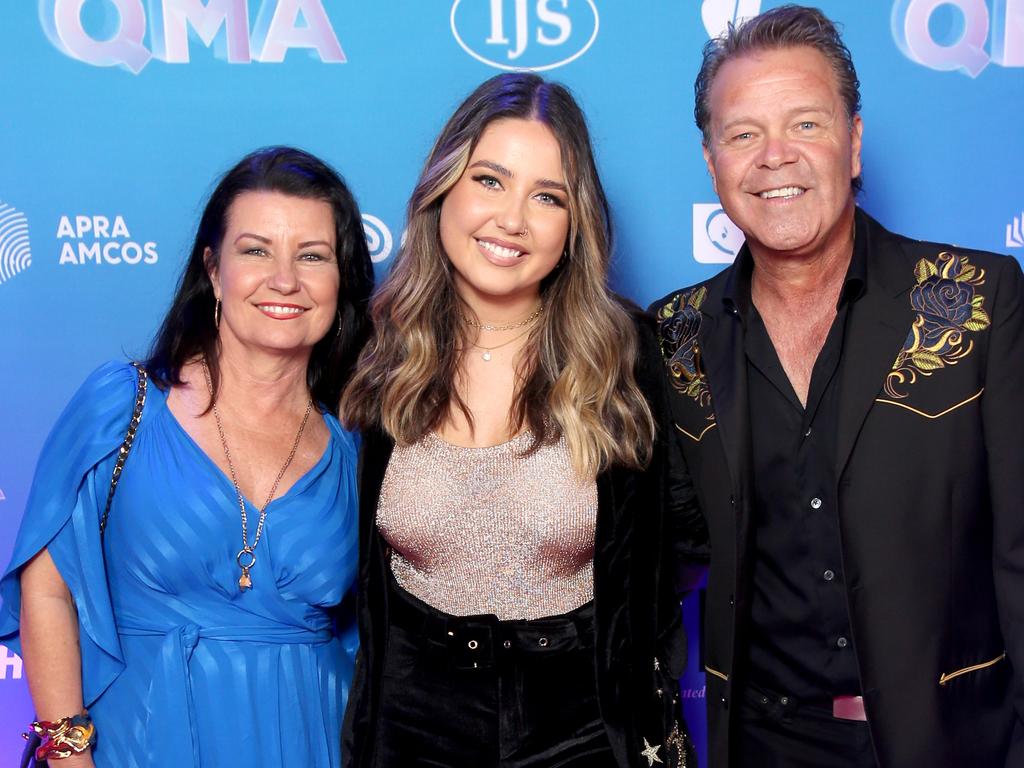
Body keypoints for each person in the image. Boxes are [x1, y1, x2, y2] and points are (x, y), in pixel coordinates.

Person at [650, 5, 1024, 767]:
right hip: (759, 743)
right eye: (743, 133)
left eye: (806, 125)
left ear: (853, 143)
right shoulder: (674, 334)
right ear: (711, 159)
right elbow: (664, 549)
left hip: (950, 742)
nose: (774, 157)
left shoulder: (975, 299)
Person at [340, 72, 704, 768]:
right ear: (442, 188)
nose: (512, 219)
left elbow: (675, 549)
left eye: (547, 197)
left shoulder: (625, 356)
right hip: (412, 718)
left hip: (583, 720)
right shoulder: (378, 350)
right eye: (489, 181)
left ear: (575, 225)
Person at [0, 146, 374, 768]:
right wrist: (68, 755)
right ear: (213, 268)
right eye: (256, 251)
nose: (285, 280)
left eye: (312, 256)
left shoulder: (356, 444)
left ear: (341, 281)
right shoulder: (123, 407)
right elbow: (49, 592)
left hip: (315, 740)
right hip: (142, 742)